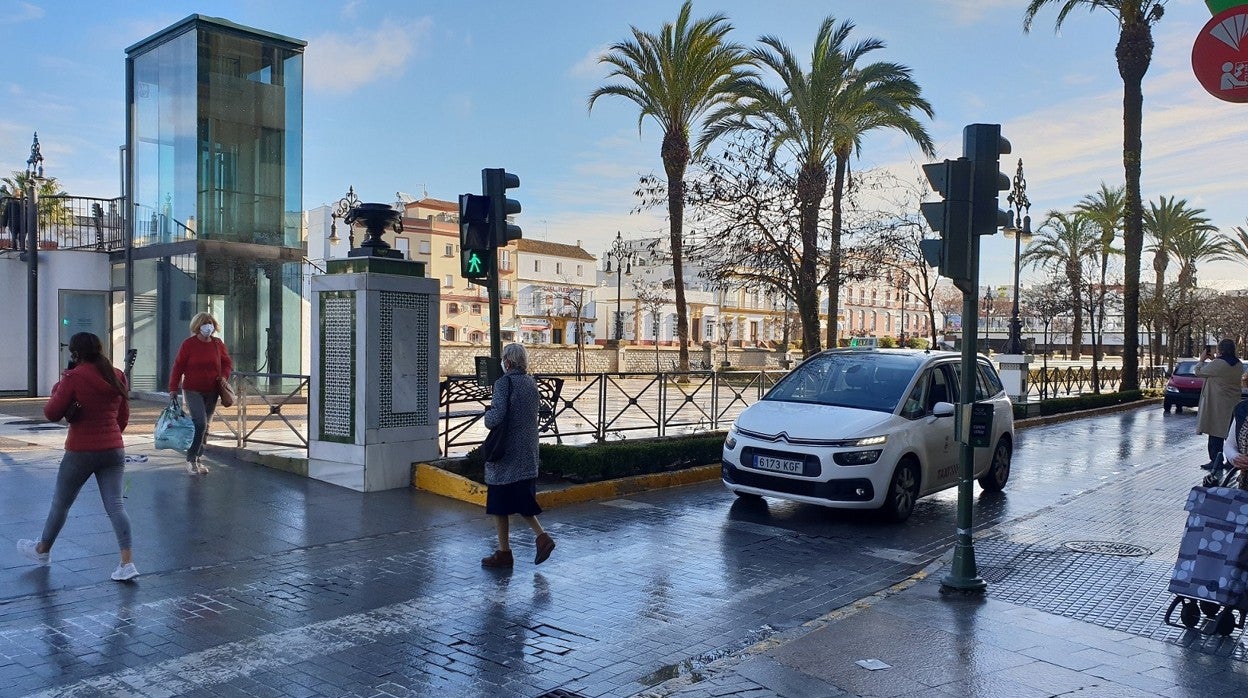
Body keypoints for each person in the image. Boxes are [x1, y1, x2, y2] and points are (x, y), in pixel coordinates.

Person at [17, 332, 137, 581]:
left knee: (61, 504)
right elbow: (123, 416)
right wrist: (112, 436)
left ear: (74, 353)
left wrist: (60, 386)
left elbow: (52, 412)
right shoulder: (117, 375)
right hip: (113, 449)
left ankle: (42, 550)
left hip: (80, 450)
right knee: (116, 506)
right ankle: (127, 563)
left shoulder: (73, 377)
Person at [480, 343, 555, 568]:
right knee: (519, 500)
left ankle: (525, 545)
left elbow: (496, 418)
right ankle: (511, 550)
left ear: (508, 362)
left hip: (506, 454)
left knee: (501, 502)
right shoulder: (531, 383)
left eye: (504, 359)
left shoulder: (504, 383)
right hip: (527, 451)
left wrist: (487, 415)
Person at [168, 312, 233, 475]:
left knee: (207, 426)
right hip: (192, 389)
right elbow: (178, 366)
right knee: (200, 423)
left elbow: (227, 363)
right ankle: (191, 459)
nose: (208, 326)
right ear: (198, 326)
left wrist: (224, 377)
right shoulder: (188, 344)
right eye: (205, 323)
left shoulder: (218, 344)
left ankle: (198, 458)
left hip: (212, 390)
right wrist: (173, 388)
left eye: (210, 323)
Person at [1195, 338, 1242, 471]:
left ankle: (1216, 461)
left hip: (1217, 405)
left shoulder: (1218, 364)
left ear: (1220, 350)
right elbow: (1220, 370)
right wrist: (1214, 360)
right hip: (1232, 404)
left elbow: (1198, 372)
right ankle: (1231, 460)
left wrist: (1201, 360)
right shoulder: (1237, 364)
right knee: (1231, 435)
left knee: (1215, 434)